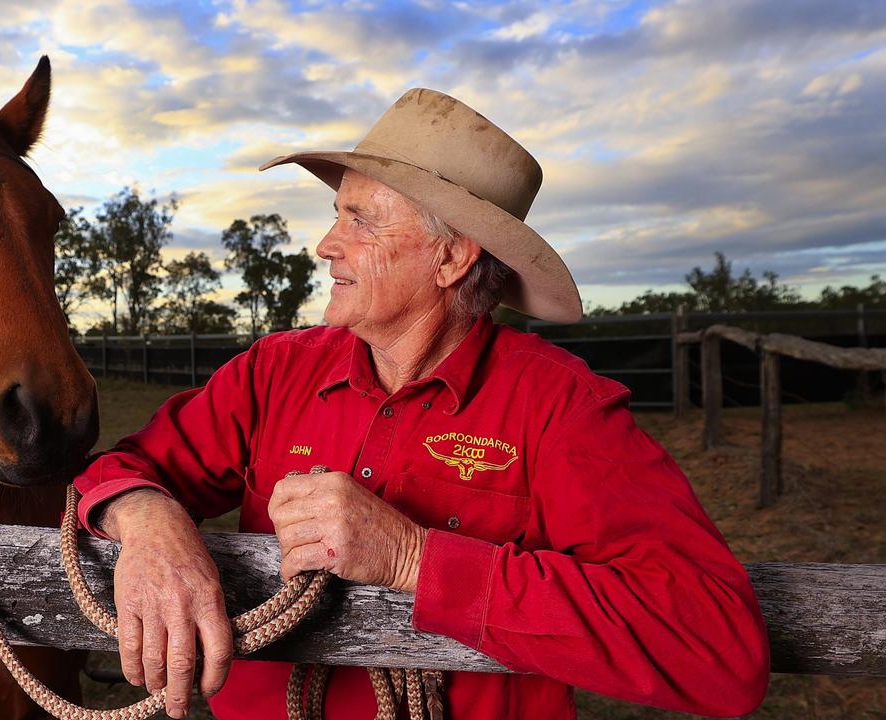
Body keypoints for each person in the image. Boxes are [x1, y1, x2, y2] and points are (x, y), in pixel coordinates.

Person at [72, 88, 770, 720]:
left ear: (452, 258)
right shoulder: (273, 372)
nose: (326, 245)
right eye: (335, 215)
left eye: (360, 221)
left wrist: (413, 558)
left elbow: (718, 649)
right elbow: (119, 471)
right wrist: (150, 519)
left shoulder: (560, 407)